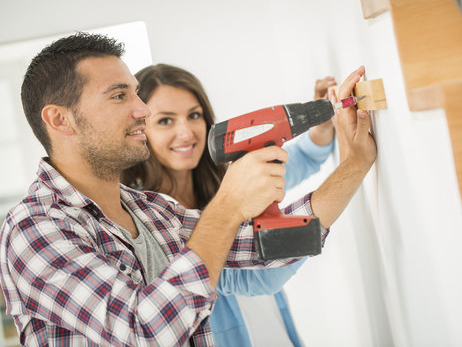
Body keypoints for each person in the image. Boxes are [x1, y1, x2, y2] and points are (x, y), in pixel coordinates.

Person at [0, 32, 376, 346]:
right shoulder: (33, 228)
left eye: (136, 93)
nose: (142, 110)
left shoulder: (151, 210)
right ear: (59, 119)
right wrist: (228, 206)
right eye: (119, 96)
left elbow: (268, 249)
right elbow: (144, 331)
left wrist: (354, 164)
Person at [120, 64, 337, 346]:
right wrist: (356, 164)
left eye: (194, 115)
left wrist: (320, 123)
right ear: (141, 128)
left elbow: (304, 158)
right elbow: (259, 279)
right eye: (165, 121)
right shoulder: (141, 220)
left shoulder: (229, 180)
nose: (186, 133)